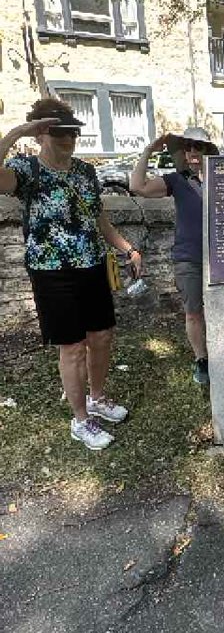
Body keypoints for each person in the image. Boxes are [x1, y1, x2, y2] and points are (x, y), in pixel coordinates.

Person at [0, 97, 142, 451]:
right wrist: (17, 132)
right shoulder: (26, 171)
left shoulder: (84, 172)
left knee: (102, 336)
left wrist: (126, 247)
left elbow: (98, 218)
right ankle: (81, 420)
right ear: (42, 134)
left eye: (73, 133)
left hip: (91, 264)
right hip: (51, 272)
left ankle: (97, 398)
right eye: (61, 133)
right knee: (73, 347)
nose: (69, 140)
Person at [130, 126, 217, 385]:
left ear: (206, 152)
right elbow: (138, 187)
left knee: (222, 311)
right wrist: (148, 151)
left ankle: (223, 355)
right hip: (188, 258)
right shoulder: (176, 180)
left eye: (198, 147)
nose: (193, 152)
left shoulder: (220, 178)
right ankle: (201, 359)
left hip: (221, 258)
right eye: (188, 147)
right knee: (193, 312)